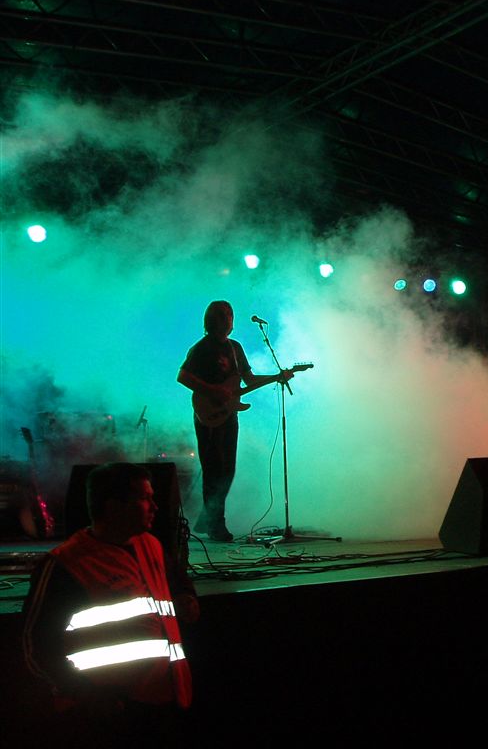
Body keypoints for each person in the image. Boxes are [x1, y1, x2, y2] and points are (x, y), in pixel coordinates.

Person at [21, 463, 198, 745]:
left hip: (165, 698)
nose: (155, 506)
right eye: (145, 498)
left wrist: (187, 598)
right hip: (108, 713)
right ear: (114, 506)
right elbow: (36, 644)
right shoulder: (66, 564)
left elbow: (177, 582)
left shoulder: (152, 546)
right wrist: (85, 694)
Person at [176, 300, 293, 542]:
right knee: (213, 470)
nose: (228, 319)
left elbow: (249, 380)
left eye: (229, 314)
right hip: (208, 415)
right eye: (223, 315)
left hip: (229, 414)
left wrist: (277, 376)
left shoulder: (235, 347)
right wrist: (214, 391)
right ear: (212, 320)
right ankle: (215, 524)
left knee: (227, 470)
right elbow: (183, 376)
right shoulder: (202, 347)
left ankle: (209, 518)